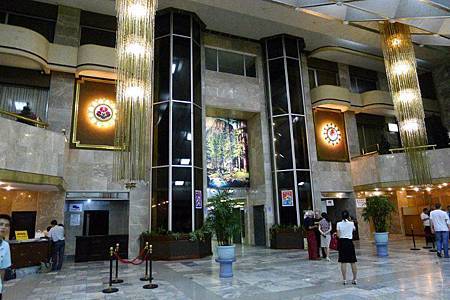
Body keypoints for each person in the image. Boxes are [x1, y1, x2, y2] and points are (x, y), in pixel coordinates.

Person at [337, 210, 357, 285]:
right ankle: (354, 279)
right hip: (350, 242)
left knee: (343, 262)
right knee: (353, 261)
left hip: (342, 243)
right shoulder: (351, 223)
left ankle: (344, 279)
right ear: (348, 216)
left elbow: (338, 235)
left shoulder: (338, 224)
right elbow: (354, 229)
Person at [0, 215, 12, 300]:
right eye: (1, 224)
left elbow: (2, 269)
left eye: (7, 225)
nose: (3, 227)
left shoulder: (5, 245)